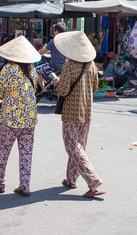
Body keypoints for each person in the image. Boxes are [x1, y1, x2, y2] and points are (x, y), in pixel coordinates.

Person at [0, 36, 41, 197]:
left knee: (2, 151)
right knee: (26, 153)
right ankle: (25, 185)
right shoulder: (32, 70)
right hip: (29, 119)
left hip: (11, 119)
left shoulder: (8, 69)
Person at [52, 31, 106, 198]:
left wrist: (56, 82)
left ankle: (93, 180)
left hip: (70, 113)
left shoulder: (69, 65)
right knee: (78, 146)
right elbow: (95, 88)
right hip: (86, 112)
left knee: (73, 148)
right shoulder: (91, 65)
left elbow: (63, 89)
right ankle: (71, 179)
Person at [36, 22, 66, 94]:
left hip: (53, 66)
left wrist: (36, 53)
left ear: (57, 31)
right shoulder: (67, 42)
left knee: (35, 71)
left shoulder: (53, 42)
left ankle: (43, 89)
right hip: (64, 66)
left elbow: (43, 52)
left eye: (55, 31)